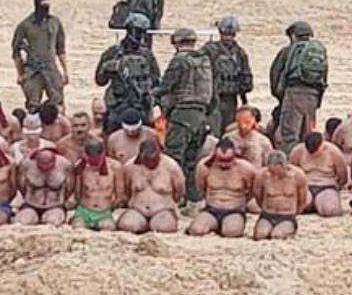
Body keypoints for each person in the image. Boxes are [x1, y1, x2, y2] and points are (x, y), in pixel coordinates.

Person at [157, 28, 215, 207]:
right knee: (192, 160)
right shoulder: (205, 61)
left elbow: (166, 86)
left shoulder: (179, 61)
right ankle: (193, 198)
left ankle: (174, 197)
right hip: (201, 115)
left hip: (182, 113)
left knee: (173, 157)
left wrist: (152, 93)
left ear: (176, 42)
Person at [95, 13, 161, 132]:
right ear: (129, 30)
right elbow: (100, 80)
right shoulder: (113, 53)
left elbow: (157, 82)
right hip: (118, 105)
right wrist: (108, 68)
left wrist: (150, 98)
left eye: (143, 33)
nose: (141, 37)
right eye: (138, 32)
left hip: (141, 106)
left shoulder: (147, 55)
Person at [275, 21, 328, 154]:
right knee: (307, 135)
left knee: (289, 136)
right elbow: (324, 78)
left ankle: (289, 162)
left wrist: (281, 98)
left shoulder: (288, 51)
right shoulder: (319, 52)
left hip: (293, 95)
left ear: (293, 36)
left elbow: (275, 76)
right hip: (313, 97)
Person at [12, 0, 70, 111]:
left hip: (51, 69)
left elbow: (61, 49)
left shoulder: (55, 22)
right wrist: (20, 73)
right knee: (33, 105)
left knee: (58, 103)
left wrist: (65, 71)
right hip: (33, 70)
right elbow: (16, 51)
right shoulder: (25, 25)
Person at [188, 138, 257, 237]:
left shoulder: (246, 169)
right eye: (221, 160)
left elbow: (252, 190)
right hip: (212, 209)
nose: (224, 164)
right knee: (196, 230)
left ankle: (230, 224)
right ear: (214, 154)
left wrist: (242, 203)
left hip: (234, 210)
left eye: (228, 160)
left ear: (235, 155)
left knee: (231, 232)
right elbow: (201, 187)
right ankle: (214, 224)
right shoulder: (204, 166)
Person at [119, 140, 184, 234]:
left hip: (163, 209)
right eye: (147, 160)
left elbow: (179, 190)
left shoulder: (171, 166)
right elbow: (126, 189)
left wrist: (171, 204)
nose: (151, 163)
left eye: (154, 159)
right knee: (127, 225)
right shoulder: (130, 166)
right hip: (138, 209)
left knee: (163, 227)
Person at [203, 16, 253, 136]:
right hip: (214, 98)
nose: (228, 38)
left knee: (229, 130)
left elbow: (245, 74)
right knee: (213, 130)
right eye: (225, 35)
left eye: (231, 35)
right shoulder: (210, 50)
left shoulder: (240, 53)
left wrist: (244, 95)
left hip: (231, 97)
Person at [288, 132, 348, 217]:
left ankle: (321, 202)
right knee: (297, 208)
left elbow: (343, 175)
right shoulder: (298, 151)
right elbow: (292, 172)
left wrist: (338, 186)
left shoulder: (333, 151)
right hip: (306, 186)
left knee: (330, 210)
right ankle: (311, 204)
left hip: (326, 186)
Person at [252, 151, 309, 241]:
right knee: (260, 235)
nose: (275, 176)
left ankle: (290, 229)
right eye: (272, 172)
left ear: (284, 166)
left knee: (277, 235)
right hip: (268, 214)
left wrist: (294, 213)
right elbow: (258, 196)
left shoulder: (298, 176)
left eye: (277, 172)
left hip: (287, 215)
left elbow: (302, 199)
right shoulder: (262, 176)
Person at [69, 141, 124, 231]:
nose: (95, 165)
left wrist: (109, 208)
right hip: (85, 211)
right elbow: (77, 194)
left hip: (104, 212)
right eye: (92, 161)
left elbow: (120, 195)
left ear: (103, 154)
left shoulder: (115, 167)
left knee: (109, 228)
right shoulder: (81, 167)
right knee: (78, 228)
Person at [16, 148, 73, 226]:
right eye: (42, 165)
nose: (45, 167)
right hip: (31, 205)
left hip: (55, 206)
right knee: (23, 222)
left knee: (52, 222)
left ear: (54, 161)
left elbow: (69, 188)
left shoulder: (65, 165)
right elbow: (21, 186)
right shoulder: (26, 165)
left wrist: (63, 203)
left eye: (48, 165)